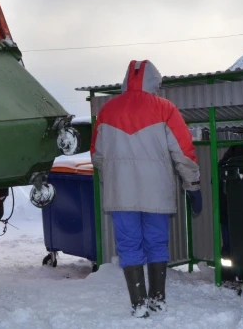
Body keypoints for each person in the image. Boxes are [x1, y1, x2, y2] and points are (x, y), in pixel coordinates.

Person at [90, 60, 202, 318]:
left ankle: (138, 303)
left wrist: (114, 181)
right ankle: (158, 299)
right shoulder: (165, 108)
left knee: (129, 244)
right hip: (157, 191)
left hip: (122, 194)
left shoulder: (108, 110)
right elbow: (183, 151)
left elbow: (97, 155)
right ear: (154, 82)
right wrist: (192, 184)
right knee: (156, 242)